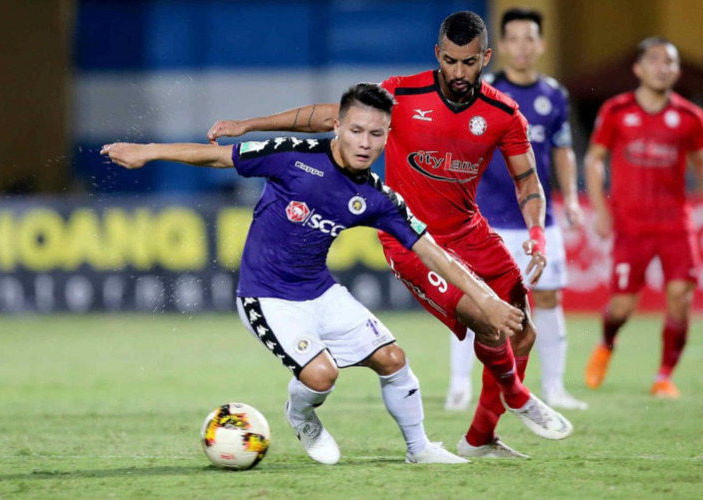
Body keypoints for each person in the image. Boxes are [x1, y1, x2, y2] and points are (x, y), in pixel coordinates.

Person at [101, 83, 536, 466]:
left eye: (376, 134)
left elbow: (434, 254)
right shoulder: (293, 155)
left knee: (393, 359)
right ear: (337, 126)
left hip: (320, 291)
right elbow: (218, 158)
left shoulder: (378, 198)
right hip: (265, 295)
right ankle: (301, 414)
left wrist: (488, 301)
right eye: (356, 130)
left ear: (387, 137)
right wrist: (148, 151)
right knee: (323, 376)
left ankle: (419, 448)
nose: (365, 143)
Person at [207, 11, 573, 459]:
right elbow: (326, 118)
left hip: (470, 231)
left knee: (522, 332)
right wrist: (248, 125)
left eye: (469, 62)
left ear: (485, 58)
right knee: (488, 319)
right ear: (437, 54)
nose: (459, 72)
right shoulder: (403, 93)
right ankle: (515, 394)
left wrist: (537, 232)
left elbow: (528, 180)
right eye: (451, 61)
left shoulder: (503, 113)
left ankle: (480, 439)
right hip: (411, 239)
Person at [445, 8, 587, 413]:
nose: (522, 46)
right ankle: (459, 385)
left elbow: (562, 150)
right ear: (501, 46)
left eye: (530, 38)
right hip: (485, 219)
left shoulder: (554, 95)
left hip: (538, 219)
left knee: (548, 298)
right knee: (472, 302)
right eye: (514, 39)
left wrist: (571, 198)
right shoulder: (481, 90)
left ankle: (554, 387)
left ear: (541, 44)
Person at [584, 37, 703, 399]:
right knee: (622, 307)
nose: (662, 67)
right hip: (630, 226)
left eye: (669, 62)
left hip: (675, 225)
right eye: (654, 60)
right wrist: (601, 209)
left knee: (680, 296)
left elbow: (700, 163)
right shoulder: (617, 110)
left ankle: (663, 376)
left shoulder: (690, 118)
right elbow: (594, 159)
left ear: (676, 71)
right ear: (638, 68)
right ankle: (606, 343)